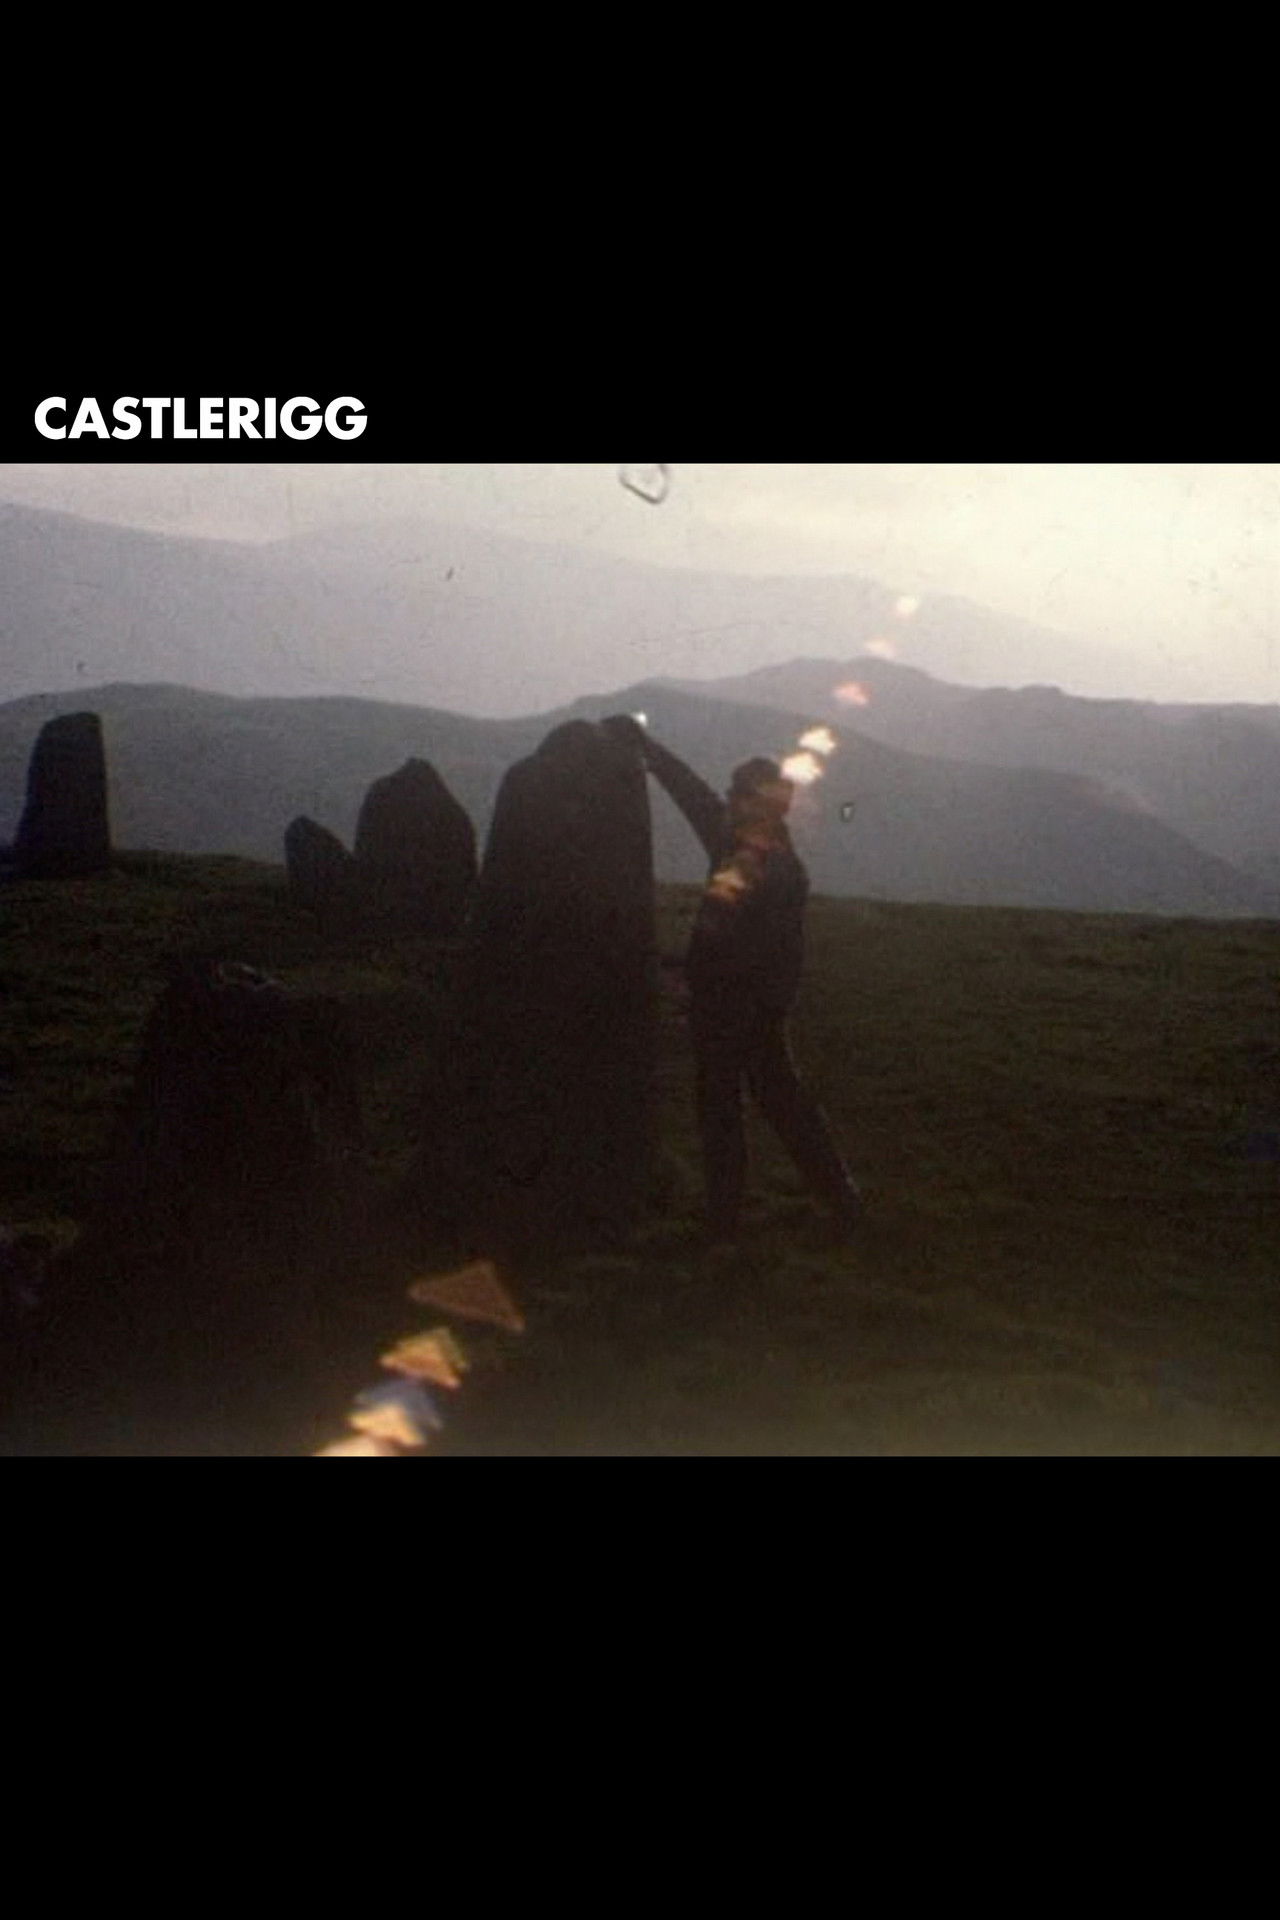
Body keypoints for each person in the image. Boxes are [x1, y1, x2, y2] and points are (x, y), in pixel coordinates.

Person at [604, 716, 862, 1245]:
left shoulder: (765, 864)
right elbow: (692, 793)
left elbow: (733, 931)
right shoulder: (750, 843)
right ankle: (832, 1199)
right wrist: (650, 748)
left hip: (740, 1001)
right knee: (770, 1098)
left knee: (733, 1101)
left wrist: (700, 977)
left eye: (738, 794)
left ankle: (732, 1213)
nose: (729, 800)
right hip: (749, 999)